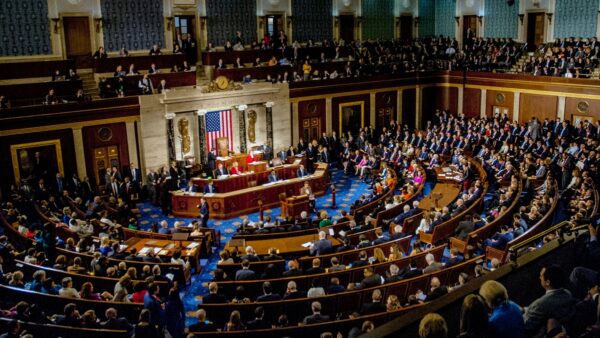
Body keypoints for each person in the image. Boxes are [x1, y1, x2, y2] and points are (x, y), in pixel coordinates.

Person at [523, 265, 576, 337]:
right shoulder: (567, 293)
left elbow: (526, 327)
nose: (539, 278)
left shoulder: (540, 304)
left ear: (548, 282)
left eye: (541, 276)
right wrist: (526, 309)